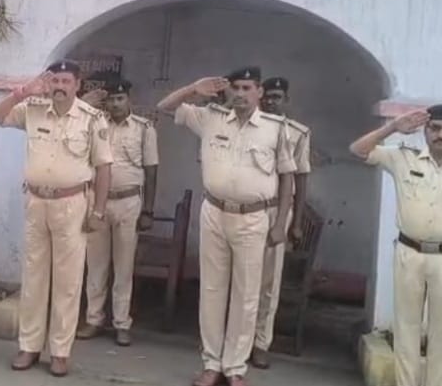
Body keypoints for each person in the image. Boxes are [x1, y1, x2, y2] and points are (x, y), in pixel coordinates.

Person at [157, 67, 295, 386]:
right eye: (235, 88)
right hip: (215, 212)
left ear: (259, 92)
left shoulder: (276, 128)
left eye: (247, 88)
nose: (240, 94)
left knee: (246, 294)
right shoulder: (211, 117)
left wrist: (280, 224)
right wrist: (193, 88)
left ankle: (234, 368)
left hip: (254, 218)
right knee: (212, 290)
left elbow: (287, 176)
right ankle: (211, 363)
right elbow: (164, 107)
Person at [0, 60, 113, 377]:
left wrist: (98, 211)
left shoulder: (91, 118)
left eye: (66, 81)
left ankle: (60, 351)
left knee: (67, 282)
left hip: (72, 204)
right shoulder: (33, 109)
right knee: (34, 278)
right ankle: (29, 346)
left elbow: (104, 168)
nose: (59, 86)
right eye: (55, 81)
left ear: (77, 85)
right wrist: (21, 92)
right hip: (37, 203)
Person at [349, 105, 442, 386]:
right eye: (434, 128)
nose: (441, 134)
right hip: (409, 254)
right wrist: (392, 127)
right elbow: (358, 150)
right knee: (406, 330)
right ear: (425, 131)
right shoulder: (403, 158)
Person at [76, 79, 158, 347]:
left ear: (129, 99)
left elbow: (151, 170)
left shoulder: (144, 129)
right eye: (111, 99)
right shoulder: (95, 123)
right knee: (96, 264)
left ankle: (122, 323)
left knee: (124, 267)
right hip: (98, 202)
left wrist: (148, 210)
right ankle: (94, 319)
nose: (115, 104)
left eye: (120, 98)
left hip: (128, 202)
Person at [251, 76, 312, 368]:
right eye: (267, 96)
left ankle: (261, 342)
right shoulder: (250, 126)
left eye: (276, 97)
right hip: (249, 208)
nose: (270, 101)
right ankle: (236, 339)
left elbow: (302, 179)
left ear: (286, 100)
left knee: (269, 281)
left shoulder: (298, 133)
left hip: (278, 210)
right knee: (242, 277)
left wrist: (295, 223)